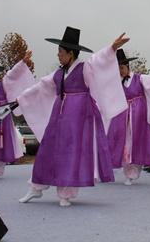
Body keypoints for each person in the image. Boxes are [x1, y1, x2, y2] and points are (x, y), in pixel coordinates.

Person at [17, 27, 129, 207]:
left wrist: (112, 48)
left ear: (70, 53)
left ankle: (65, 193)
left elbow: (99, 61)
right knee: (47, 149)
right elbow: (41, 86)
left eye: (60, 52)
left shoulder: (85, 68)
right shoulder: (59, 73)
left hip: (79, 117)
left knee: (71, 153)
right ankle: (35, 187)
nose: (58, 55)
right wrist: (21, 98)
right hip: (59, 116)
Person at [107, 49, 150, 185]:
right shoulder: (117, 83)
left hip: (138, 116)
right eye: (118, 69)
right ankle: (128, 172)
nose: (120, 71)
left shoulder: (140, 78)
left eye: (122, 67)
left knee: (136, 142)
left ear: (127, 66)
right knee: (125, 143)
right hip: (122, 116)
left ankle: (134, 170)